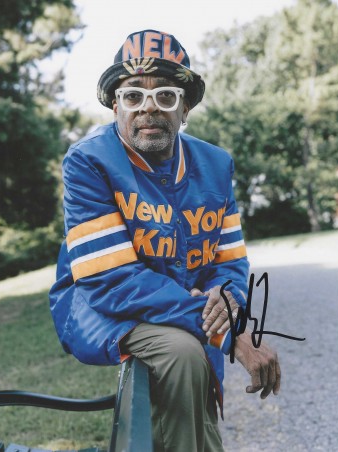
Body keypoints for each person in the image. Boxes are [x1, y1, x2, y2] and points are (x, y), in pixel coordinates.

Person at [49, 29, 281, 452]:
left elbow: (229, 262)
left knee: (194, 353)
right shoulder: (87, 161)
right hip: (100, 306)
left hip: (183, 303)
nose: (148, 107)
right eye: (133, 95)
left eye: (166, 96)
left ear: (185, 107)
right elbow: (110, 279)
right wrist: (230, 334)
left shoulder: (216, 165)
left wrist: (228, 303)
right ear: (115, 106)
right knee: (182, 351)